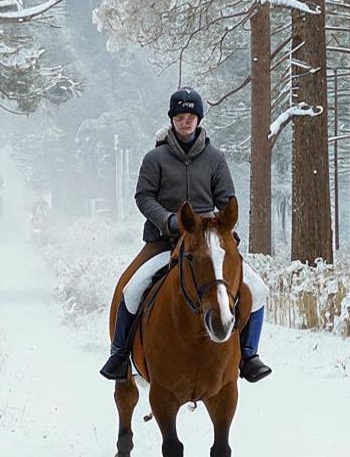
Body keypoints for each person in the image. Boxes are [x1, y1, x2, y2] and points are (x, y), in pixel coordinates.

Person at [99, 87, 271, 383]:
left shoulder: (215, 158)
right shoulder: (156, 158)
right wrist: (167, 220)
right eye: (180, 116)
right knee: (132, 289)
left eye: (191, 116)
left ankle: (249, 354)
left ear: (199, 119)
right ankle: (120, 355)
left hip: (206, 243)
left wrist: (221, 231)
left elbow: (226, 198)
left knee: (257, 288)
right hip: (163, 240)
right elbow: (143, 196)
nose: (186, 122)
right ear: (172, 120)